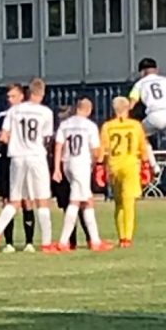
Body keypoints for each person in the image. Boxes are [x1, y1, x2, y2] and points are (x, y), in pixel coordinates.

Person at [0, 77, 55, 253]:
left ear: (28, 93)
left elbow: (4, 136)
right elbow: (46, 138)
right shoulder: (45, 112)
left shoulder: (14, 111)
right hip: (36, 156)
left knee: (14, 201)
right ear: (42, 93)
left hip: (16, 157)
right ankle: (46, 243)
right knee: (42, 200)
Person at [52, 98, 114, 252]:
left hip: (68, 163)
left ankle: (95, 240)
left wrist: (57, 168)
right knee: (76, 201)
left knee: (87, 200)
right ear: (89, 110)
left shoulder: (65, 124)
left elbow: (58, 146)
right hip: (82, 164)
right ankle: (64, 241)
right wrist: (97, 164)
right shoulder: (90, 126)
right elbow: (95, 150)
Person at [101, 96, 151, 248]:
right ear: (128, 108)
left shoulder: (108, 127)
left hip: (114, 166)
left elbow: (103, 149)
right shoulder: (135, 126)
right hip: (130, 165)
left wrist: (100, 167)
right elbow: (143, 147)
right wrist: (146, 165)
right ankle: (127, 238)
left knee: (118, 203)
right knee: (129, 202)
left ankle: (121, 236)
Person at [129, 58, 166, 172]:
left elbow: (131, 104)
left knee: (140, 135)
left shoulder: (139, 84)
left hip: (155, 116)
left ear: (142, 72)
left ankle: (154, 166)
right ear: (156, 70)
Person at [0, 84, 26, 252]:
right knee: (7, 200)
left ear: (21, 96)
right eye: (8, 97)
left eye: (13, 96)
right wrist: (3, 137)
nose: (10, 100)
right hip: (7, 159)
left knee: (27, 200)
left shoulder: (29, 114)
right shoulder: (1, 116)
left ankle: (29, 242)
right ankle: (9, 243)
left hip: (24, 159)